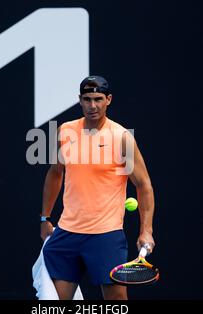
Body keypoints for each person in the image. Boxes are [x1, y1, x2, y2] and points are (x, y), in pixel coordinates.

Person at [39, 75, 155, 300]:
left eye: (98, 99)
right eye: (87, 99)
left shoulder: (121, 138)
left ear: (108, 100)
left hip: (106, 236)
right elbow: (55, 173)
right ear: (80, 100)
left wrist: (146, 229)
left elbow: (144, 185)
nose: (92, 106)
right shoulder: (66, 131)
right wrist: (45, 218)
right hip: (67, 233)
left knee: (117, 302)